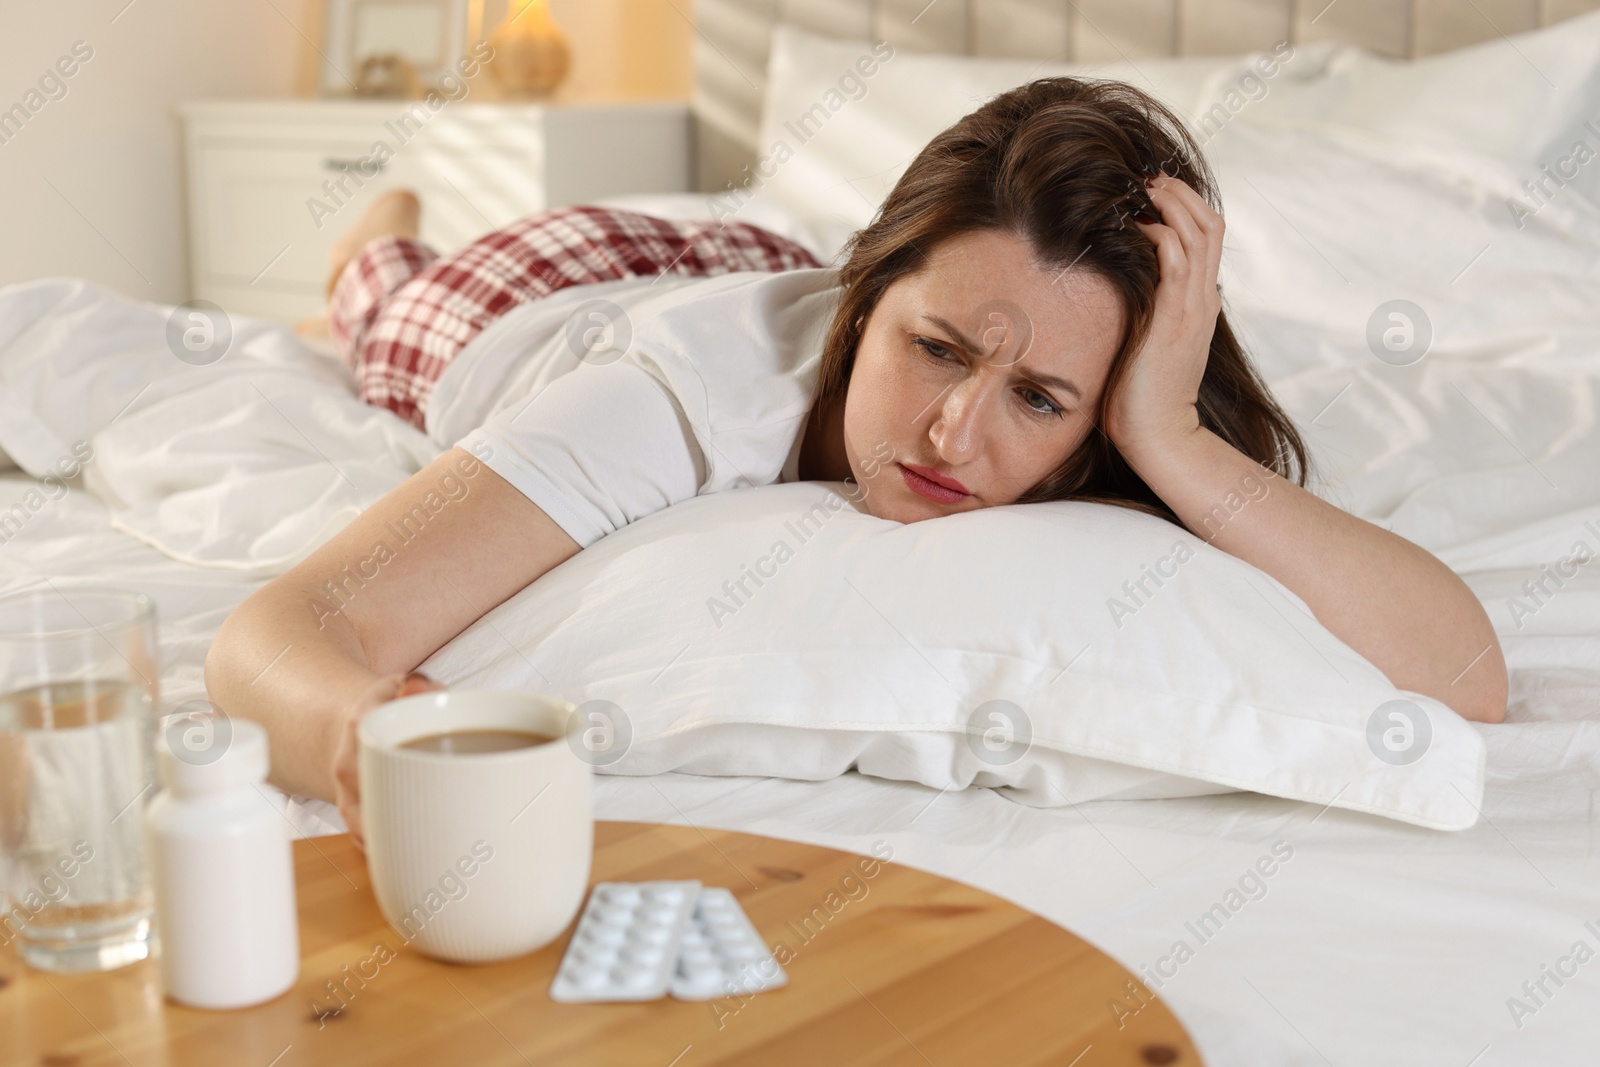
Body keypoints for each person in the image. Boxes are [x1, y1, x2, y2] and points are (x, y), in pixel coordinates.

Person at [206, 77, 1508, 847]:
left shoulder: (1110, 404)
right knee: (387, 300)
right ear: (867, 298)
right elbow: (280, 632)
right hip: (551, 293)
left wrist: (1167, 438)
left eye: (1041, 398)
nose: (956, 437)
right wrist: (369, 737)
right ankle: (380, 234)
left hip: (759, 260)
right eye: (934, 349)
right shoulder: (662, 400)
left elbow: (1461, 679)